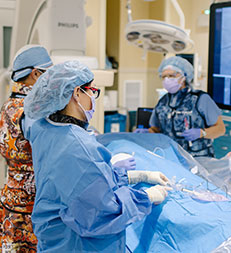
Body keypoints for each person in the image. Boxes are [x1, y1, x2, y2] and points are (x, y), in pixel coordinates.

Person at [22, 60, 171, 252]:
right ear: (76, 93)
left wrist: (136, 176)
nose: (93, 96)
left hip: (54, 238)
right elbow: (100, 213)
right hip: (78, 244)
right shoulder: (79, 147)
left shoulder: (45, 128)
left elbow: (81, 184)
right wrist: (145, 197)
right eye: (92, 90)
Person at [0, 45, 53, 252]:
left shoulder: (7, 106)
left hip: (10, 199)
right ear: (36, 74)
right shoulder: (32, 111)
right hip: (31, 205)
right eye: (49, 74)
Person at [135, 56, 225, 157]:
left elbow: (220, 129)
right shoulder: (163, 102)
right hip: (171, 157)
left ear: (184, 76)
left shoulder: (201, 99)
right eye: (164, 76)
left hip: (199, 159)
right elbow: (156, 130)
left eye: (171, 75)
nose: (167, 79)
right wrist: (147, 132)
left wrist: (202, 133)